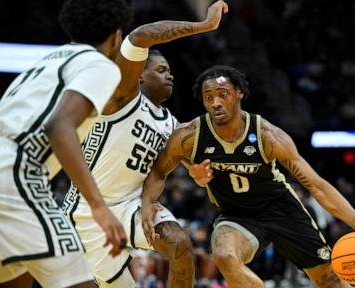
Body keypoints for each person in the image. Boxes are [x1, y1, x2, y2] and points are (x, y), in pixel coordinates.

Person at [141, 65, 355, 288]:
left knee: (329, 280)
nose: (216, 103)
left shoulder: (268, 136)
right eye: (208, 96)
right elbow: (159, 170)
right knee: (224, 255)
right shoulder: (190, 135)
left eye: (223, 94)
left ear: (240, 93)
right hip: (237, 215)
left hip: (282, 209)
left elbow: (317, 186)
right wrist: (148, 203)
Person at [62, 2, 229, 287]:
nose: (170, 75)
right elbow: (139, 36)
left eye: (170, 71)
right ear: (139, 74)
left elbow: (189, 166)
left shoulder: (171, 124)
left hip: (133, 206)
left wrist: (198, 174)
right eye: (162, 70)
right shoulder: (121, 97)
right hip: (89, 214)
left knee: (180, 245)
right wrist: (203, 26)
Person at [0, 0, 132, 287]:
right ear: (116, 37)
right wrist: (99, 206)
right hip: (17, 174)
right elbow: (59, 126)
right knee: (79, 280)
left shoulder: (48, 61)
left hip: (6, 167)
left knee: (15, 278)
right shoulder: (100, 65)